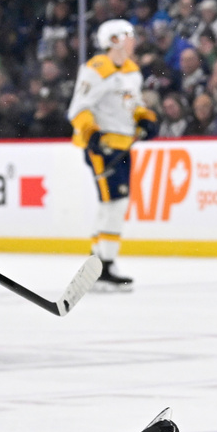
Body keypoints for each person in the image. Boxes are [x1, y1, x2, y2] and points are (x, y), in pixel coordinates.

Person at [66, 18, 158, 292]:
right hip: (103, 148)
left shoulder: (132, 70)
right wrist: (92, 134)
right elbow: (78, 109)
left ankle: (99, 264)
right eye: (128, 36)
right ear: (114, 40)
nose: (133, 41)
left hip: (123, 145)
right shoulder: (95, 69)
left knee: (112, 203)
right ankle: (104, 265)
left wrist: (145, 118)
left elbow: (134, 104)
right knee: (115, 202)